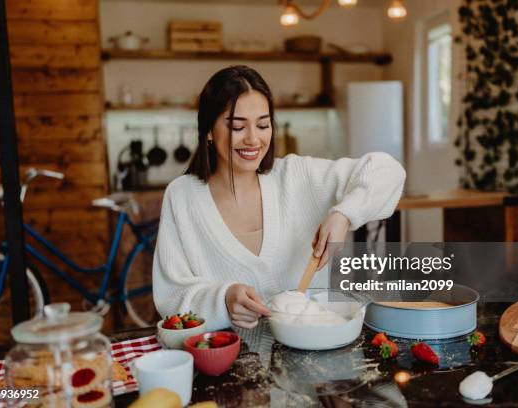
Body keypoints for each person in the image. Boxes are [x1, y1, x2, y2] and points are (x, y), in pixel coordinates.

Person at [153, 65, 406, 330]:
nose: (253, 139)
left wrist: (344, 214)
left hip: (314, 348)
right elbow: (171, 298)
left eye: (263, 125)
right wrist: (223, 299)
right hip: (230, 358)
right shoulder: (182, 196)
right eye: (238, 127)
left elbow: (387, 170)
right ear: (208, 131)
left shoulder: (297, 176)